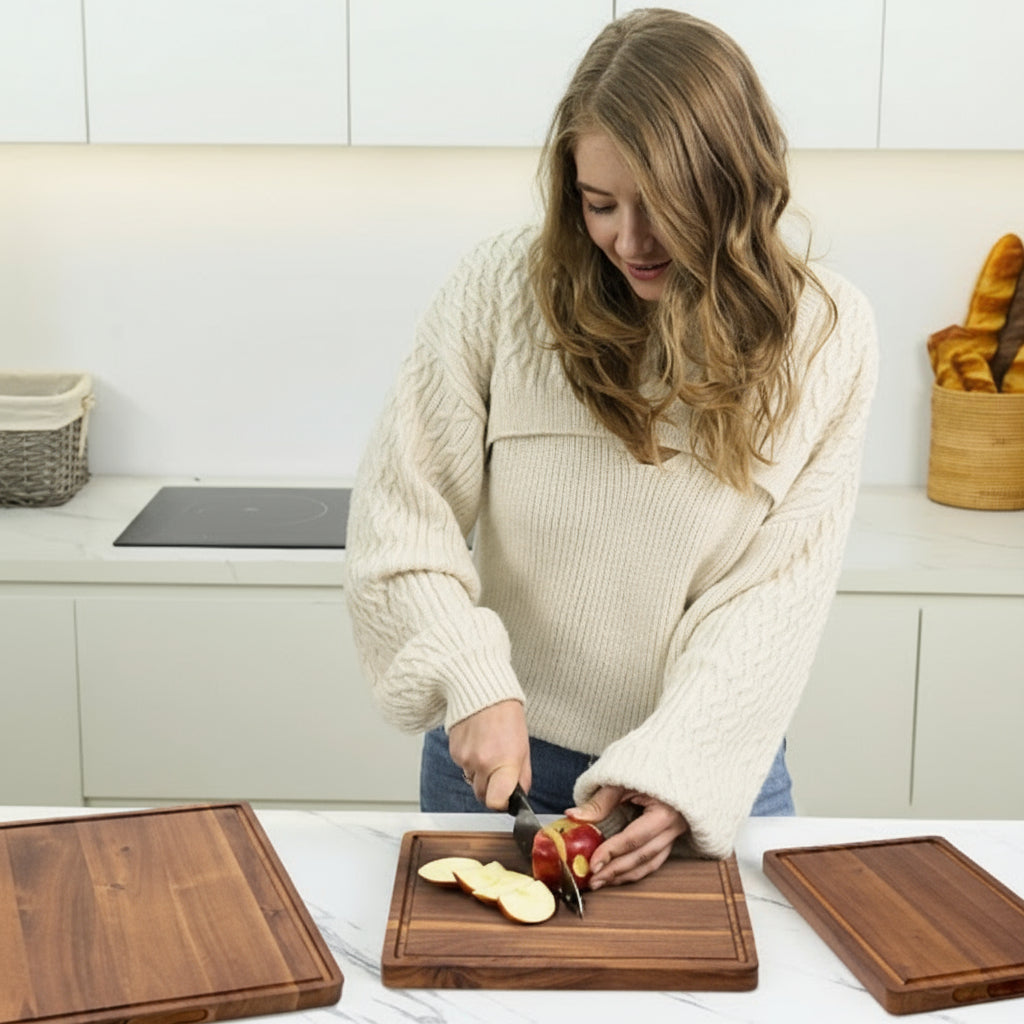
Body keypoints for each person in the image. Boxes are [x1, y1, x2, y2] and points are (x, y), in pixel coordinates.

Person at [343, 7, 877, 887]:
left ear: (732, 184)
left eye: (663, 207)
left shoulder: (825, 332)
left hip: (706, 769)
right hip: (504, 757)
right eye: (599, 204)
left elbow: (777, 593)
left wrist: (678, 771)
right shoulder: (498, 289)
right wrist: (471, 678)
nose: (630, 241)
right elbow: (401, 518)